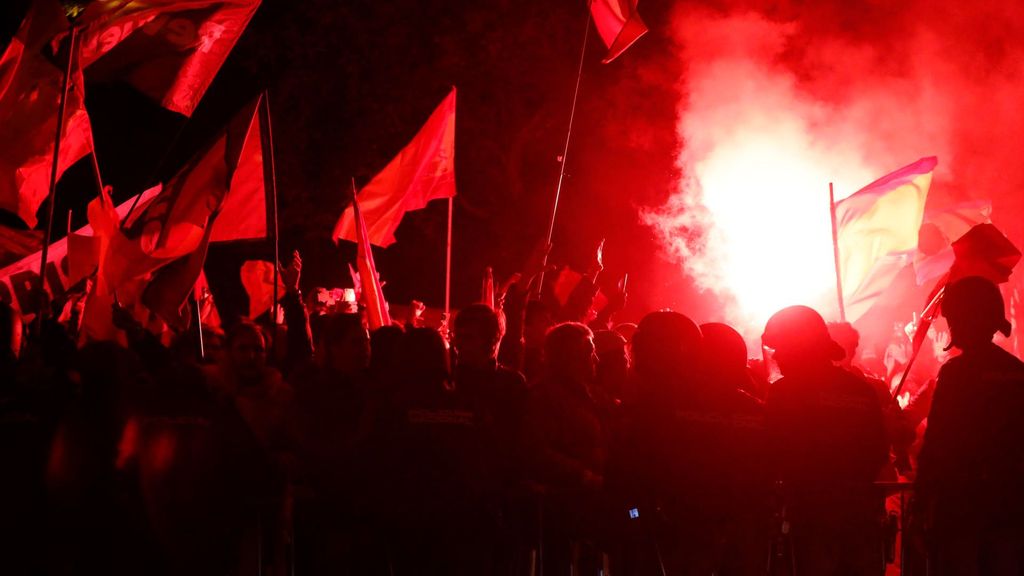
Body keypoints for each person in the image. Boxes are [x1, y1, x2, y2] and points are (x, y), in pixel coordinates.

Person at [762, 305, 889, 575]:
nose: (777, 357)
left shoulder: (785, 391)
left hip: (812, 513)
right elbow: (878, 448)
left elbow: (772, 452)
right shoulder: (860, 389)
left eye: (781, 348)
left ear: (797, 347)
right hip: (861, 512)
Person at [913, 276, 1024, 575]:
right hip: (1010, 508)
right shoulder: (1017, 372)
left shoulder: (956, 374)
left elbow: (937, 443)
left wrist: (919, 503)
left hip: (961, 507)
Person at [523, 322, 606, 576]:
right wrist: (583, 475)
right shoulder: (543, 396)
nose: (595, 358)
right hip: (557, 511)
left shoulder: (586, 395)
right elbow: (535, 451)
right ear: (570, 355)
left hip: (584, 510)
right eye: (589, 351)